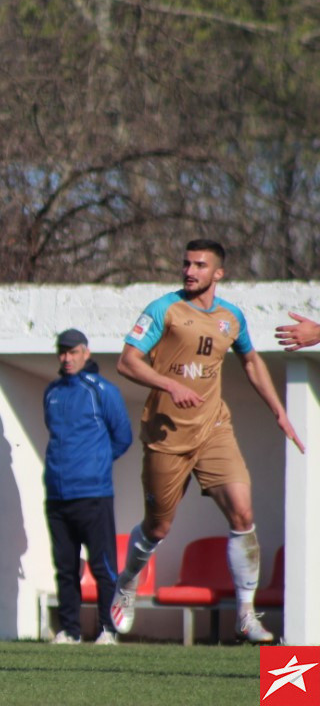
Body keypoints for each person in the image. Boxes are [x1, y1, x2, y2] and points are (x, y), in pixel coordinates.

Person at [110, 239, 305, 643]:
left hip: (214, 428)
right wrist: (168, 384)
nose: (189, 271)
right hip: (167, 433)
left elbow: (250, 359)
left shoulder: (231, 317)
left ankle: (247, 615)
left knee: (242, 513)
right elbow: (127, 361)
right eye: (186, 263)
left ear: (218, 273)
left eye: (199, 265)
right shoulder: (163, 309)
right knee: (158, 527)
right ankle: (127, 583)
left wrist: (278, 409)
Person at [41, 328, 132, 646]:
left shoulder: (102, 390)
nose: (67, 358)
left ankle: (109, 629)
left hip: (93, 494)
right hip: (56, 495)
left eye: (73, 351)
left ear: (86, 353)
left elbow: (123, 436)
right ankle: (70, 630)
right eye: (62, 352)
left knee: (103, 564)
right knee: (65, 566)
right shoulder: (52, 392)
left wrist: (95, 465)